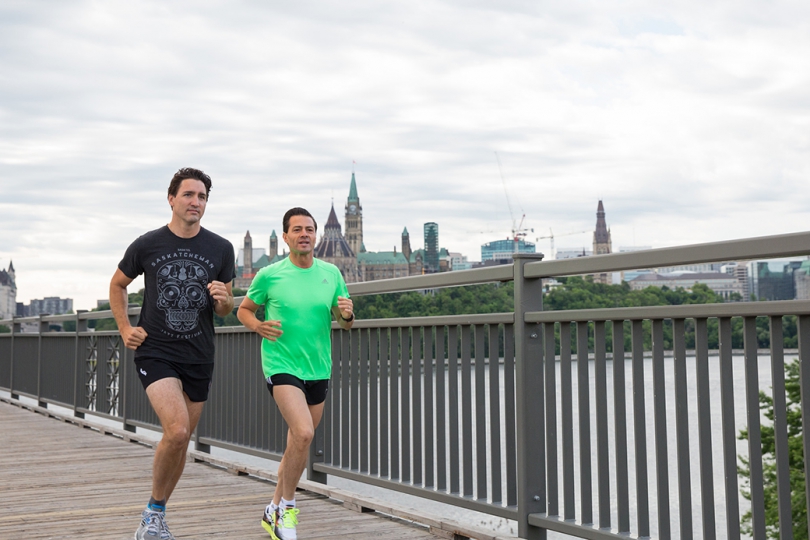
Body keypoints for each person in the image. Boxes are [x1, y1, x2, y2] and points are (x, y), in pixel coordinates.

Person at [109, 168, 235, 540]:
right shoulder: (148, 244)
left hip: (199, 354)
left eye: (203, 197)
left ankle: (158, 511)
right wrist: (125, 328)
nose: (196, 202)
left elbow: (225, 309)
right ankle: (152, 515)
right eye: (189, 195)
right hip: (156, 351)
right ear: (172, 199)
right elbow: (117, 285)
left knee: (181, 442)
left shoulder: (221, 248)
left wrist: (226, 301)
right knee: (177, 431)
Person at [237, 207, 354, 540]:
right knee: (303, 434)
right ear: (285, 237)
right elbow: (244, 310)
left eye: (310, 229)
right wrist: (258, 325)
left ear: (317, 235)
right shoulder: (270, 274)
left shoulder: (331, 273)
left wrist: (347, 315)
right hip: (281, 363)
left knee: (295, 445)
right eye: (297, 229)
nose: (304, 234)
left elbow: (345, 323)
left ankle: (272, 507)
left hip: (318, 366)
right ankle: (287, 510)